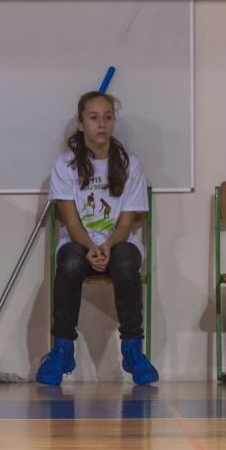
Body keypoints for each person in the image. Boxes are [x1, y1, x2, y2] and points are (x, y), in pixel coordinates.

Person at [36, 91, 158, 386]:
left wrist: (107, 246)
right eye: (94, 118)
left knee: (126, 263)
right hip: (79, 243)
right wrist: (92, 246)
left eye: (107, 117)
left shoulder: (130, 164)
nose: (101, 124)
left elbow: (126, 223)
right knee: (69, 263)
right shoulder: (64, 165)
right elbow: (71, 221)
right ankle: (62, 349)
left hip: (118, 243)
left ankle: (132, 349)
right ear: (81, 124)